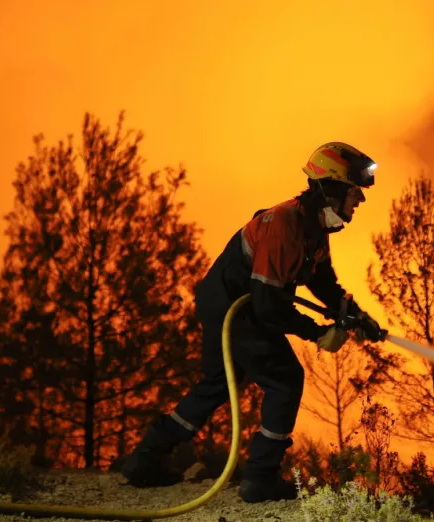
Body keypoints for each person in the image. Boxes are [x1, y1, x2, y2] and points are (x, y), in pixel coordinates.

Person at [121, 142, 383, 503]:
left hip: (228, 303)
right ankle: (260, 478)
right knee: (285, 379)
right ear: (333, 189)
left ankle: (144, 459)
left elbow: (322, 283)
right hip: (236, 309)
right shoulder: (285, 225)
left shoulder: (313, 227)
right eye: (356, 192)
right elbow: (268, 309)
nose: (361, 201)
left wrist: (356, 317)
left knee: (215, 383)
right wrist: (319, 332)